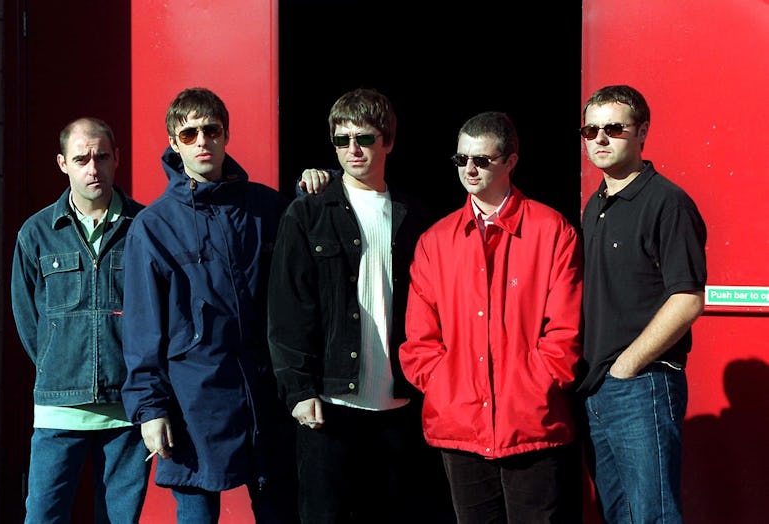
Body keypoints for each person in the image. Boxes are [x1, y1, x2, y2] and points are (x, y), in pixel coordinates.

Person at [268, 87, 453, 524]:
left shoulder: (416, 216)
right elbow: (287, 309)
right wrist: (298, 390)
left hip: (399, 404)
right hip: (329, 404)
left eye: (364, 138)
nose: (353, 149)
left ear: (387, 141)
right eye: (341, 139)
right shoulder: (307, 212)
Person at [120, 87, 298, 523]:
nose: (202, 141)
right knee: (197, 514)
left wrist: (317, 184)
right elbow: (143, 326)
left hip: (264, 395)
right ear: (174, 142)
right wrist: (150, 409)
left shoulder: (266, 207)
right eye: (189, 133)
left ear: (225, 135)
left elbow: (303, 277)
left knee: (280, 510)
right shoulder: (154, 226)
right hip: (193, 399)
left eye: (211, 130)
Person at [399, 111, 584, 523]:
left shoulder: (552, 230)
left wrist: (538, 385)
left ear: (511, 161)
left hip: (531, 421)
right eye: (461, 159)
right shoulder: (436, 240)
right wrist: (443, 385)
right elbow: (419, 337)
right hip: (460, 421)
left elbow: (565, 329)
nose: (469, 169)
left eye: (482, 160)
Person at [10, 117, 150, 523]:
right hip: (58, 408)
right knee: (43, 516)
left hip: (126, 408)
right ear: (62, 163)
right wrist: (59, 364)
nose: (93, 168)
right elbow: (27, 318)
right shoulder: (36, 233)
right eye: (81, 158)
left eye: (102, 157)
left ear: (116, 158)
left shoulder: (143, 228)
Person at [578, 84, 707, 523]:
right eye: (590, 129)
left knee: (651, 516)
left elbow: (687, 298)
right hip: (597, 388)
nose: (599, 138)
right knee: (619, 514)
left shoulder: (667, 203)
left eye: (613, 128)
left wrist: (627, 365)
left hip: (642, 386)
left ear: (642, 132)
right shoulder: (594, 205)